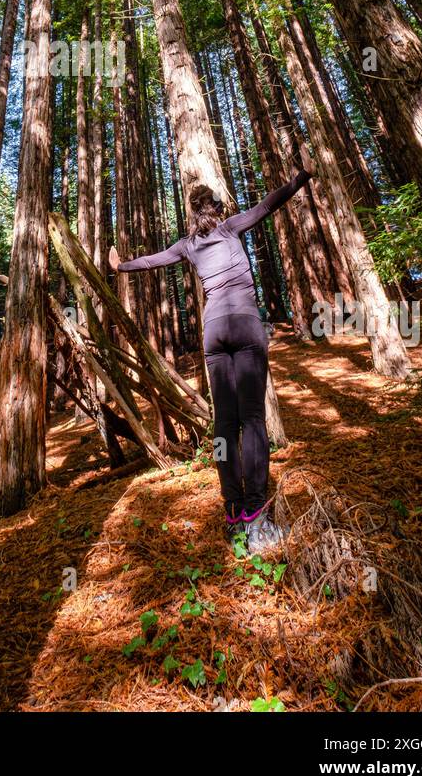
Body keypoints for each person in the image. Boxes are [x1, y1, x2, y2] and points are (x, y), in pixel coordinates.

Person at [108, 145, 315, 557]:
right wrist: (301, 177)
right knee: (253, 419)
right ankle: (257, 515)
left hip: (214, 333)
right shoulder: (232, 227)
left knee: (225, 425)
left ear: (192, 213)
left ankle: (234, 512)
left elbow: (153, 261)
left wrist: (121, 266)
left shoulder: (187, 244)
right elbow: (269, 203)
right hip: (245, 325)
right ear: (217, 208)